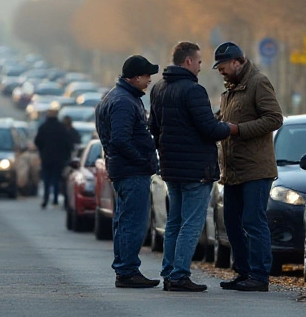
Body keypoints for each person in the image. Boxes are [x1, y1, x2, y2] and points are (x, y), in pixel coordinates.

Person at [149, 41, 237, 292]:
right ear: (188, 61)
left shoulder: (159, 88)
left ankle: (169, 270)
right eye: (199, 61)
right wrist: (229, 127)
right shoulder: (193, 91)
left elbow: (153, 128)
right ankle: (179, 274)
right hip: (197, 169)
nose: (200, 67)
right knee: (191, 222)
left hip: (171, 167)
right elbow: (209, 128)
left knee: (174, 221)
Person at [213, 42, 283, 292]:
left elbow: (274, 118)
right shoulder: (230, 90)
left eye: (222, 67)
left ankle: (259, 275)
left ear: (236, 62)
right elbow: (222, 119)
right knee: (231, 221)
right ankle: (243, 272)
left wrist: (238, 130)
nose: (220, 71)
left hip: (256, 169)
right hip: (233, 170)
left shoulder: (258, 82)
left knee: (253, 221)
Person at [95, 55, 161, 288]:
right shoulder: (124, 102)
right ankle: (127, 270)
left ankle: (125, 269)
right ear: (133, 78)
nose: (150, 80)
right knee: (134, 221)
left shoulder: (114, 97)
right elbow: (120, 140)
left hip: (123, 170)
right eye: (146, 76)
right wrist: (143, 160)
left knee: (124, 220)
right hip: (131, 172)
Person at [34, 106, 75, 208]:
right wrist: (65, 155)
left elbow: (37, 141)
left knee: (46, 180)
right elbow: (68, 144)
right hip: (59, 159)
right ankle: (55, 200)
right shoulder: (61, 128)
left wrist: (42, 151)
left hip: (46, 158)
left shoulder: (43, 127)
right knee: (56, 179)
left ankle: (46, 198)